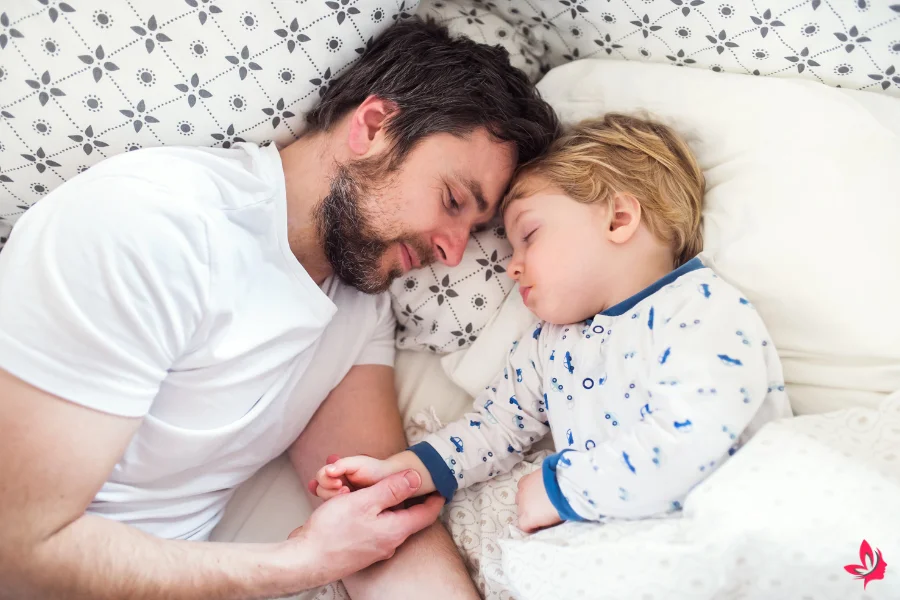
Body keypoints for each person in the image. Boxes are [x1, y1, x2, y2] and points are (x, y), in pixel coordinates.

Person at [0, 18, 559, 600]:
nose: (451, 252)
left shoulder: (358, 308)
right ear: (372, 126)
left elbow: (380, 520)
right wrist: (300, 562)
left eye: (473, 230)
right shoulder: (150, 228)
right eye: (452, 200)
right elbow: (17, 549)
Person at [312, 114, 792, 534]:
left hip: (726, 523)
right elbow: (494, 428)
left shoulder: (700, 310)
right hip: (621, 539)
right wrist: (403, 474)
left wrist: (563, 489)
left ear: (619, 218)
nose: (511, 265)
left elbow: (691, 438)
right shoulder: (550, 344)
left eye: (529, 235)